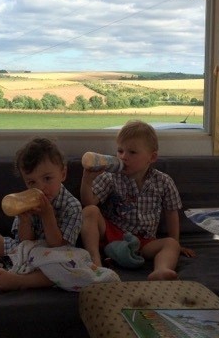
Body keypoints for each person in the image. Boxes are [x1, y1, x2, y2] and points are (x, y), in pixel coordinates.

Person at [80, 120, 195, 280]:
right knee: (90, 211)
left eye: (132, 152)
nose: (124, 157)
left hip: (145, 242)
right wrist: (87, 181)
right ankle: (95, 262)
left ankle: (161, 270)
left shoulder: (163, 181)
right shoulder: (110, 176)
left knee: (171, 244)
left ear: (152, 157)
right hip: (113, 234)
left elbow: (171, 213)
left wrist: (176, 242)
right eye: (120, 151)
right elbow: (89, 202)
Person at [0, 137, 83, 291]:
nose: (41, 187)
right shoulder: (26, 201)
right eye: (32, 182)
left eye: (47, 178)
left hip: (53, 257)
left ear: (63, 174)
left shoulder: (72, 206)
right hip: (24, 252)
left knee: (66, 269)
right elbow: (24, 242)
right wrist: (25, 220)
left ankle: (19, 280)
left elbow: (57, 245)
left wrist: (47, 215)